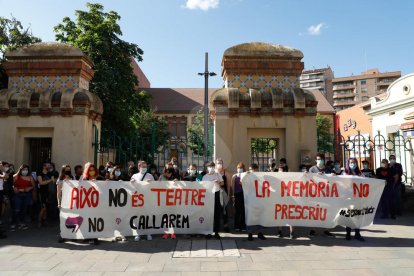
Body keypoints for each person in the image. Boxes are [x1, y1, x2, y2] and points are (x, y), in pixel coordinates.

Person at [131, 160, 154, 241]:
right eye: (142, 166)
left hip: (147, 200)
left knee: (148, 216)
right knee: (137, 217)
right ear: (139, 167)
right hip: (138, 200)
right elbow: (131, 188)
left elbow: (154, 187)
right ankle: (138, 233)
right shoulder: (134, 176)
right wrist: (132, 182)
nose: (144, 168)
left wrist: (151, 183)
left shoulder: (150, 176)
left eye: (145, 166)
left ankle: (148, 233)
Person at [343, 158, 364, 241]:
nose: (353, 164)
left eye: (354, 163)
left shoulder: (360, 173)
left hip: (358, 198)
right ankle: (348, 233)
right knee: (349, 215)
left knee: (357, 215)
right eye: (351, 163)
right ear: (348, 163)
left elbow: (367, 182)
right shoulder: (345, 173)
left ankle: (357, 233)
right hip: (348, 198)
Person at [202, 161, 224, 239]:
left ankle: (216, 232)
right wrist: (210, 182)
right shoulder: (205, 177)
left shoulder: (218, 175)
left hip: (216, 195)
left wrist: (218, 182)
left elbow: (222, 183)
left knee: (217, 214)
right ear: (207, 168)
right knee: (209, 215)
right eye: (210, 166)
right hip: (208, 196)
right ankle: (208, 232)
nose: (211, 168)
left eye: (212, 166)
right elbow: (203, 187)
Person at [245, 163, 266, 241]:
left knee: (260, 217)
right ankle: (250, 234)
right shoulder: (248, 176)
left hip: (260, 200)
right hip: (250, 200)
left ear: (257, 169)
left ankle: (260, 233)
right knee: (250, 217)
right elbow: (242, 183)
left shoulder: (261, 176)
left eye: (253, 169)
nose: (252, 171)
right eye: (250, 169)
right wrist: (245, 176)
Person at [276, 158, 294, 239]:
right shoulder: (277, 176)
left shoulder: (289, 175)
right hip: (280, 197)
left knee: (290, 215)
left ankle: (291, 232)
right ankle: (280, 231)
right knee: (280, 214)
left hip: (290, 198)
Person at [12, 165, 35, 230]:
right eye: (23, 169)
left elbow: (33, 186)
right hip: (17, 194)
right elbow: (12, 185)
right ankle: (14, 222)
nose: (25, 171)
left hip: (27, 194)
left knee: (24, 209)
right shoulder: (16, 176)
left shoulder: (30, 177)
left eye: (26, 169)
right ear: (20, 170)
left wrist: (29, 188)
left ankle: (22, 223)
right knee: (17, 209)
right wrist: (15, 188)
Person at [56, 165, 73, 243]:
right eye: (66, 170)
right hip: (64, 202)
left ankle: (71, 234)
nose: (68, 172)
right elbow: (58, 193)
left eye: (69, 170)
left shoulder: (73, 178)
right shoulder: (60, 180)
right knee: (63, 219)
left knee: (71, 218)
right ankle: (62, 235)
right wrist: (59, 203)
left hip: (72, 202)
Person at [37, 163, 55, 228]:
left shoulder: (50, 173)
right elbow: (41, 183)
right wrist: (50, 180)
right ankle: (39, 221)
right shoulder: (39, 173)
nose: (49, 166)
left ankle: (44, 220)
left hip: (47, 192)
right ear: (44, 166)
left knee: (46, 208)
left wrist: (51, 177)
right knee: (43, 207)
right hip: (41, 193)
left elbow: (53, 181)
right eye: (48, 165)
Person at [215, 158, 230, 232]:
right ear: (215, 164)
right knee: (216, 209)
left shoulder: (225, 173)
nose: (219, 164)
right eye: (218, 163)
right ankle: (215, 226)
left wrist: (229, 194)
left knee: (225, 209)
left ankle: (225, 225)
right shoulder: (213, 172)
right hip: (215, 193)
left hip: (223, 192)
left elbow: (228, 184)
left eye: (220, 163)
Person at [231, 162, 246, 232]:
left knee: (243, 210)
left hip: (244, 194)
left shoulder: (245, 176)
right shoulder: (234, 176)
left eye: (241, 168)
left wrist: (243, 183)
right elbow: (233, 186)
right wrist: (233, 195)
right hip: (237, 194)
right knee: (237, 211)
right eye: (238, 168)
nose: (239, 169)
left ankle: (243, 226)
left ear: (243, 169)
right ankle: (236, 226)